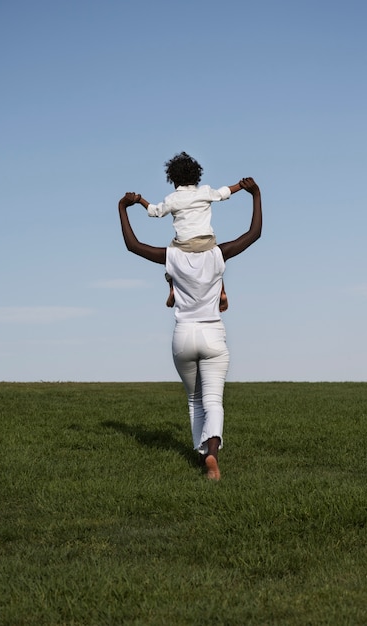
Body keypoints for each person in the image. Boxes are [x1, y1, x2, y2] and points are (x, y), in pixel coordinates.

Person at [118, 177, 262, 481]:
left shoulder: (172, 257)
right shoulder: (218, 254)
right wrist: (255, 194)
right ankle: (212, 453)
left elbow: (133, 246)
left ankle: (201, 454)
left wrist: (124, 207)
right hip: (213, 335)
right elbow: (253, 234)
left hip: (183, 336)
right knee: (213, 401)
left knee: (194, 401)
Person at [135, 151, 242, 308]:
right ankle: (222, 291)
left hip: (183, 244)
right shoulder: (204, 191)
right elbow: (224, 192)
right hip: (207, 241)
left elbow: (155, 211)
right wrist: (241, 185)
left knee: (170, 257)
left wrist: (140, 200)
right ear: (196, 176)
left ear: (173, 180)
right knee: (218, 259)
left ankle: (172, 288)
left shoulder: (172, 199)